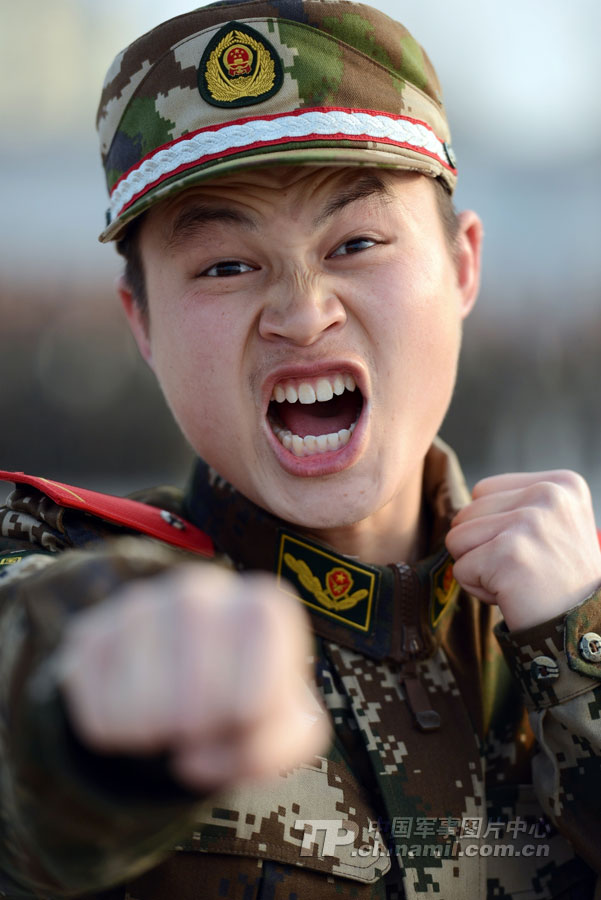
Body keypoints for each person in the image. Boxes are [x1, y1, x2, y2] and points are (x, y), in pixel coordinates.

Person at [1, 1, 601, 897]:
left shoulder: (574, 609)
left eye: (355, 243)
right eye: (225, 266)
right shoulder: (75, 580)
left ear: (462, 266)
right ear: (143, 324)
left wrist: (580, 653)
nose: (301, 313)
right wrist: (97, 710)